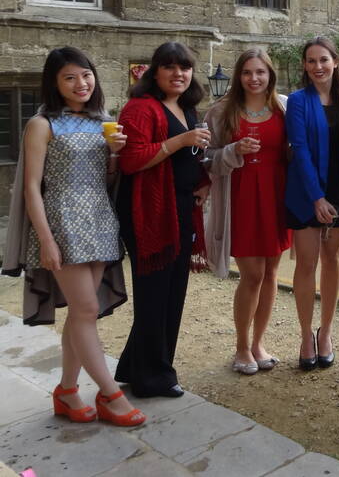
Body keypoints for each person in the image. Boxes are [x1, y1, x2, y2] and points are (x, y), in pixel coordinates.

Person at [2, 47, 142, 426]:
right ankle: (109, 394)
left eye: (86, 74)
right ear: (55, 83)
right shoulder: (41, 124)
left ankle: (66, 391)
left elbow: (108, 180)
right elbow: (31, 187)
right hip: (61, 222)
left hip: (99, 220)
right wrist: (45, 240)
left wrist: (114, 155)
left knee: (83, 315)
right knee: (86, 310)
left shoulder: (103, 121)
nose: (81, 83)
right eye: (70, 77)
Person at [115, 41, 211, 398]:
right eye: (170, 67)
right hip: (150, 213)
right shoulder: (142, 108)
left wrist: (203, 183)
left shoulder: (186, 107)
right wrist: (182, 139)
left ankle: (135, 366)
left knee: (172, 293)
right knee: (155, 294)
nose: (179, 74)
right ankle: (152, 378)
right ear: (155, 72)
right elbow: (132, 159)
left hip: (181, 207)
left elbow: (188, 161)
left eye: (184, 68)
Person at [205, 48, 291, 375]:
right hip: (240, 197)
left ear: (270, 75)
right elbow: (205, 158)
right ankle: (241, 346)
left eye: (261, 72)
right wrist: (232, 150)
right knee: (251, 275)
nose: (254, 78)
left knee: (271, 274)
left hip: (276, 195)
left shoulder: (283, 107)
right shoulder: (221, 112)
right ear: (239, 76)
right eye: (247, 72)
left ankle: (258, 343)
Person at [284, 37, 339, 371]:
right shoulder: (298, 101)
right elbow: (299, 149)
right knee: (306, 264)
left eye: (323, 60)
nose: (317, 67)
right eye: (311, 61)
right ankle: (304, 336)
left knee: (333, 258)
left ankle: (325, 332)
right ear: (305, 66)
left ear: (335, 62)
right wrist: (316, 198)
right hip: (307, 195)